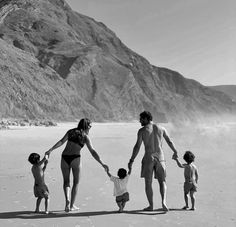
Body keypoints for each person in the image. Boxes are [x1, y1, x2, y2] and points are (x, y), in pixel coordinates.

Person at [45, 118, 108, 212]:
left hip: (64, 157)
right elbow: (93, 152)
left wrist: (50, 150)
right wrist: (102, 163)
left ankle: (67, 200)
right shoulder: (85, 137)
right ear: (86, 126)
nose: (90, 128)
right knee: (76, 183)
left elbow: (61, 141)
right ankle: (71, 206)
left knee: (66, 182)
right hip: (75, 158)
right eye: (90, 126)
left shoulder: (70, 132)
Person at [128, 111, 178, 211]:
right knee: (162, 181)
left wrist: (131, 160)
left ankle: (151, 206)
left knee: (148, 183)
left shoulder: (142, 131)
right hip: (160, 157)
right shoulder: (162, 128)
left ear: (146, 118)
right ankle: (164, 202)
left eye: (141, 119)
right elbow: (169, 141)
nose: (140, 121)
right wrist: (175, 151)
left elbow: (137, 146)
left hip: (148, 157)